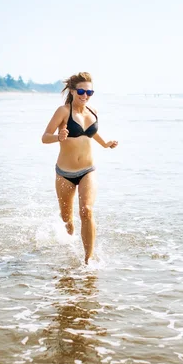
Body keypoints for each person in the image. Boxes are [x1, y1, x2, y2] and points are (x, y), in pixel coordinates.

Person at [42, 72, 118, 264]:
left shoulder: (92, 111)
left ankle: (88, 261)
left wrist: (105, 143)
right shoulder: (63, 111)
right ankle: (68, 248)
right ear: (73, 91)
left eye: (89, 92)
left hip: (87, 170)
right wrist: (58, 137)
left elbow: (92, 132)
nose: (85, 95)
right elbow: (44, 137)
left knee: (86, 210)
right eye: (82, 91)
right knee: (68, 222)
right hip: (65, 173)